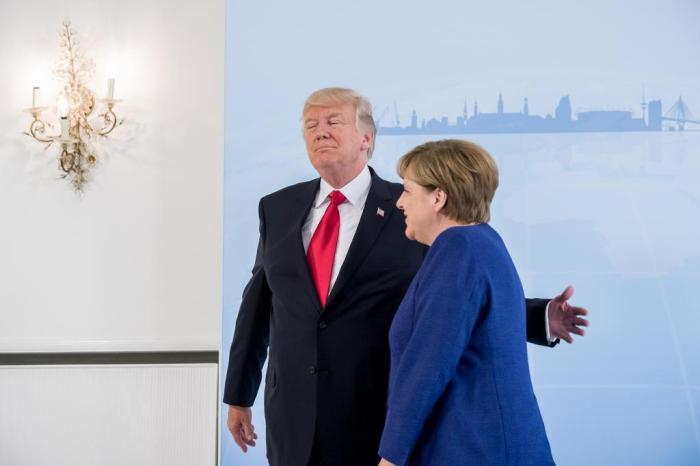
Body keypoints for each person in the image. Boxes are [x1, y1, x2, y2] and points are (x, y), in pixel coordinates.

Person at [224, 88, 587, 466]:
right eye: (311, 125)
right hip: (293, 415)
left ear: (367, 139)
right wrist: (239, 394)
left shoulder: (417, 208)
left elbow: (456, 296)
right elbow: (258, 305)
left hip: (378, 415)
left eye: (333, 122)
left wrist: (539, 317)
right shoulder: (277, 208)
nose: (320, 132)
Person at [378, 139, 554, 466]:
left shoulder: (456, 250)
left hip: (470, 448)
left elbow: (427, 365)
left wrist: (391, 457)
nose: (400, 203)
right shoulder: (484, 240)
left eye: (407, 191)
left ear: (438, 197)